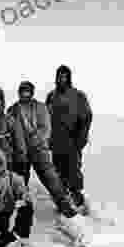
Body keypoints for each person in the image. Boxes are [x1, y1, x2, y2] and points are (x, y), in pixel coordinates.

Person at [7, 81, 79, 218]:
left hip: (39, 150)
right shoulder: (12, 110)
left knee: (51, 178)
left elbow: (45, 130)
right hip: (21, 152)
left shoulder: (40, 107)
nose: (25, 94)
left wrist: (33, 143)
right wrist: (18, 148)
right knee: (20, 182)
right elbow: (10, 131)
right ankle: (21, 210)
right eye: (22, 92)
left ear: (32, 93)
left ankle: (65, 206)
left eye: (28, 92)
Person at [46, 65, 93, 213]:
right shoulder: (51, 96)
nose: (62, 79)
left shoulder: (78, 96)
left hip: (72, 142)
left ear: (69, 78)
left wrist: (81, 138)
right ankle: (63, 205)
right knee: (58, 174)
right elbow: (45, 118)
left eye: (64, 76)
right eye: (59, 76)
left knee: (73, 173)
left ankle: (80, 205)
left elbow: (87, 117)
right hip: (56, 143)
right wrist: (47, 138)